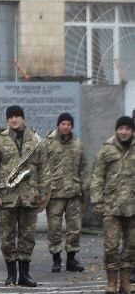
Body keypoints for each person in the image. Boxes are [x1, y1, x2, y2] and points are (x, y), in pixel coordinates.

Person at [0, 105, 47, 287]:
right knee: (7, 236)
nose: (14, 120)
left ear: (22, 118)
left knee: (27, 236)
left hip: (30, 195)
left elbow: (44, 167)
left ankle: (24, 274)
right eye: (10, 117)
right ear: (7, 120)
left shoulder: (35, 139)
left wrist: (44, 192)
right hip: (7, 196)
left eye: (17, 116)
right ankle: (10, 274)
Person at [90, 116, 134, 294]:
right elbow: (97, 176)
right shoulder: (106, 149)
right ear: (117, 130)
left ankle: (125, 281)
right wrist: (97, 200)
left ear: (132, 131)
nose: (123, 132)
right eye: (121, 128)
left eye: (127, 129)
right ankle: (111, 281)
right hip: (111, 206)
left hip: (132, 206)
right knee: (111, 246)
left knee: (132, 246)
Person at [44, 113, 88, 273]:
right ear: (58, 125)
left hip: (74, 194)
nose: (65, 126)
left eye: (68, 124)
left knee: (74, 228)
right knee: (54, 228)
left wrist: (84, 187)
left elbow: (83, 167)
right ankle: (56, 259)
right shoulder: (48, 143)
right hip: (54, 194)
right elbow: (42, 167)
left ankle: (71, 259)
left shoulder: (77, 144)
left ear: (72, 126)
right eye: (63, 123)